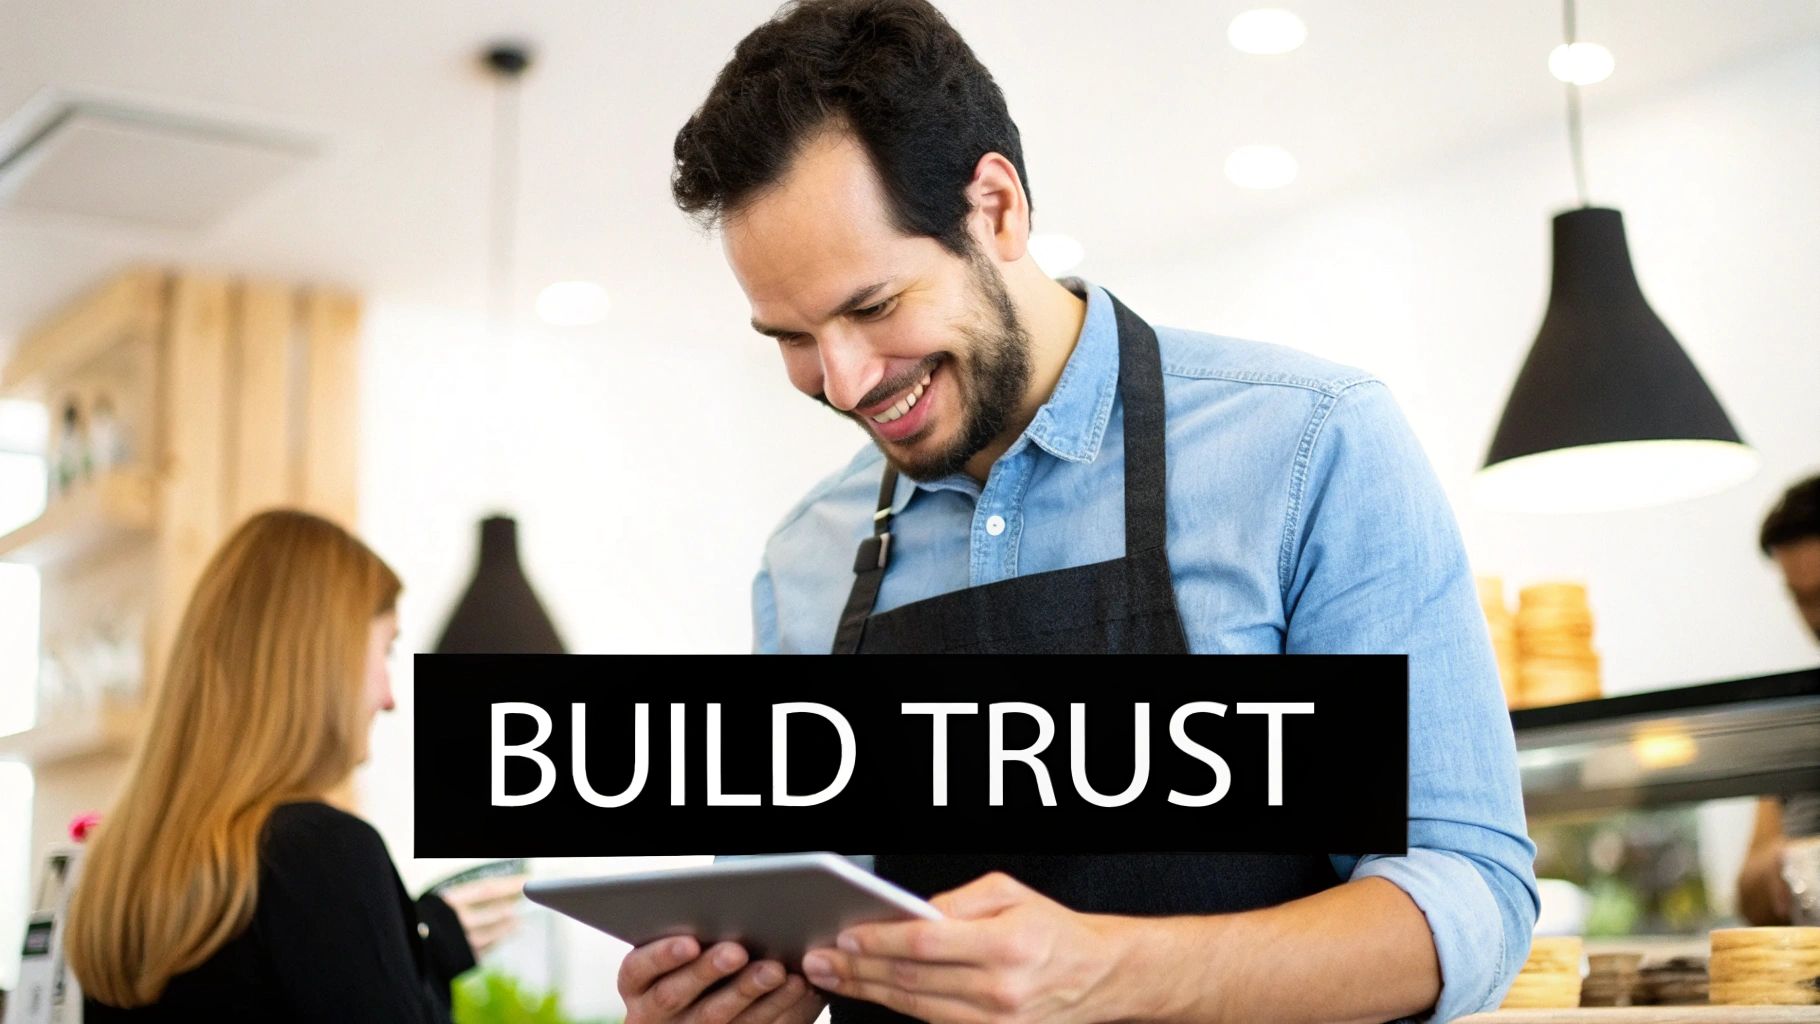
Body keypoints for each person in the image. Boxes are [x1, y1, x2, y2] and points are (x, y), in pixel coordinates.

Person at [618, 2, 1537, 1023]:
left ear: (996, 209)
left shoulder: (1311, 444)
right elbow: (784, 919)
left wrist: (1113, 971)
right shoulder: (807, 557)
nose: (841, 382)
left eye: (872, 307)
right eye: (790, 337)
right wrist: (721, 995)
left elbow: (1471, 895)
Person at [65, 509, 520, 1021]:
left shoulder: (119, 870)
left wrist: (415, 944)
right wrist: (416, 950)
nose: (390, 698)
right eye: (386, 651)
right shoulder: (321, 851)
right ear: (322, 663)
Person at [1736, 474, 1820, 925]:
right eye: (1801, 598)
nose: (1815, 618)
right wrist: (1788, 861)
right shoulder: (1797, 719)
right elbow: (1748, 895)